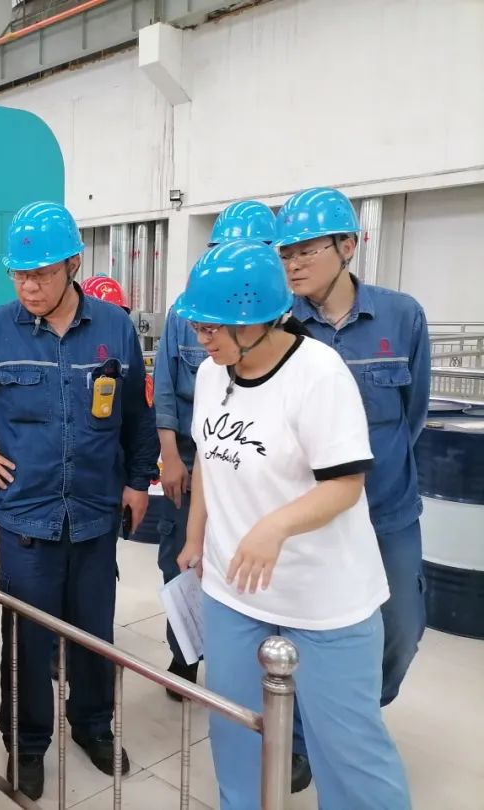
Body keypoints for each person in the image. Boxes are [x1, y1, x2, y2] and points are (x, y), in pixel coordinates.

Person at [0, 201, 159, 800]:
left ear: (73, 266)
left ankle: (93, 726)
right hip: (26, 517)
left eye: (42, 274)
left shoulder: (114, 330)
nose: (29, 286)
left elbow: (136, 414)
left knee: (93, 633)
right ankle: (27, 743)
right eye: (20, 275)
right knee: (28, 640)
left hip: (95, 512)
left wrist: (139, 480)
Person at [174, 239, 410, 810]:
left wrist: (275, 526)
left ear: (255, 320)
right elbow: (209, 456)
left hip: (323, 595)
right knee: (235, 732)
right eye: (198, 326)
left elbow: (345, 485)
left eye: (212, 327)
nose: (201, 338)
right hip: (233, 590)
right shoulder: (211, 374)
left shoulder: (318, 374)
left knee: (348, 749)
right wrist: (196, 535)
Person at [275, 186, 429, 787]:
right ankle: (300, 739)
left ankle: (353, 715)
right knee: (300, 632)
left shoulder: (401, 317)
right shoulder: (281, 326)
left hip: (386, 511)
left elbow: (412, 414)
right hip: (310, 514)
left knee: (401, 630)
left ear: (347, 246)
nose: (293, 264)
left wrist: (368, 470)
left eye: (306, 250)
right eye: (286, 253)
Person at [152, 201, 277, 700]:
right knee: (182, 557)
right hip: (193, 458)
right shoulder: (189, 315)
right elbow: (165, 385)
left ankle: (251, 668)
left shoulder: (297, 345)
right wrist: (170, 455)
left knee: (248, 570)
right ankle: (185, 650)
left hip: (258, 471)